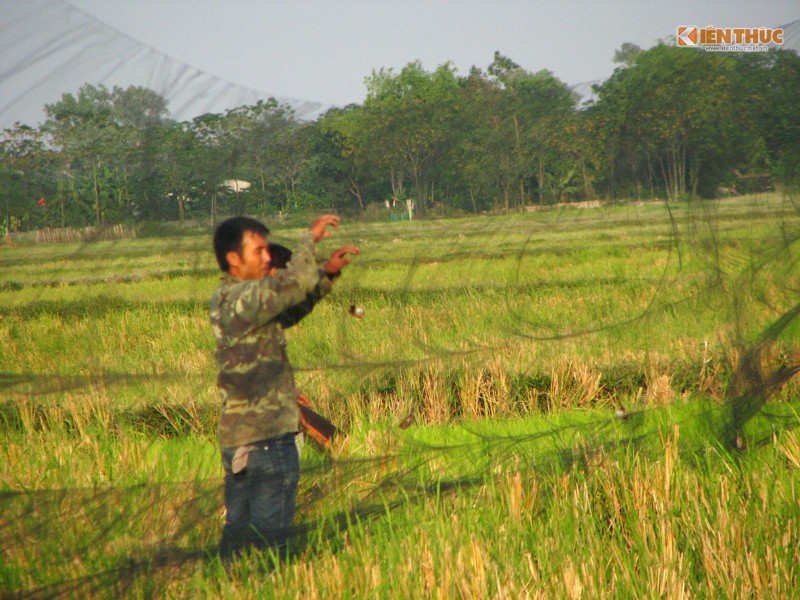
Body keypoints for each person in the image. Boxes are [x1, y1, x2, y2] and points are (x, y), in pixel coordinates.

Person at [210, 214, 358, 558]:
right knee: (271, 541)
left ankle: (229, 586)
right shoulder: (247, 296)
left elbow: (289, 312)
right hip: (267, 438)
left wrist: (328, 276)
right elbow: (293, 285)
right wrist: (310, 240)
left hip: (239, 439)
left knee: (238, 533)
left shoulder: (230, 299)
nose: (267, 258)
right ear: (234, 258)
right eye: (259, 251)